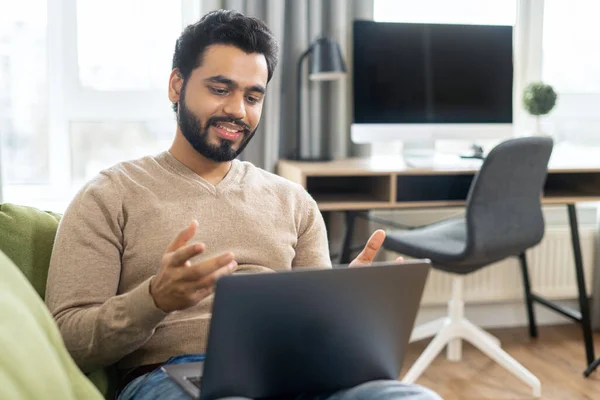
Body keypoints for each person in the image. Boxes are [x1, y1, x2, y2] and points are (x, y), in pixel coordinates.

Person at [45, 9, 441, 400]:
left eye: (253, 96)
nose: (238, 110)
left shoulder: (294, 202)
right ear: (176, 86)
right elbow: (65, 340)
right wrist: (154, 300)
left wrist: (346, 307)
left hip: (294, 374)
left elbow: (316, 335)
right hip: (172, 378)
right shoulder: (109, 195)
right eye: (220, 89)